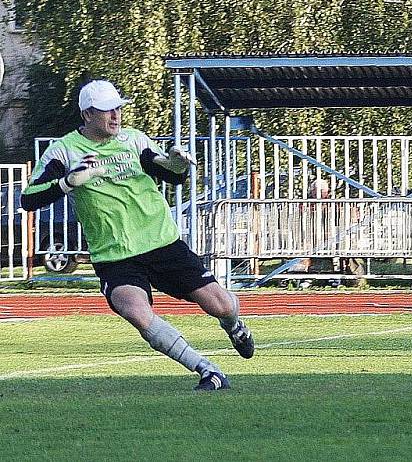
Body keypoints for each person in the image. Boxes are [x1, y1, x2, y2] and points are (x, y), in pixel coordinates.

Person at [21, 79, 254, 391]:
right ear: (87, 114)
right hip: (114, 256)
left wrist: (177, 164)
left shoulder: (133, 140)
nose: (116, 116)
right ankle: (208, 370)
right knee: (135, 311)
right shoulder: (64, 151)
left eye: (118, 108)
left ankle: (234, 326)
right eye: (108, 111)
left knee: (222, 305)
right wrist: (68, 182)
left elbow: (169, 173)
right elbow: (29, 198)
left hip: (161, 244)